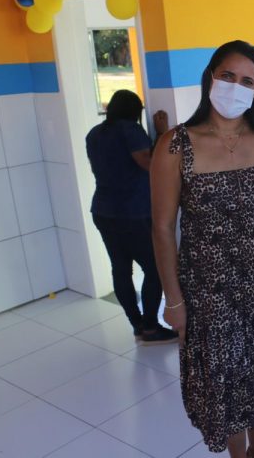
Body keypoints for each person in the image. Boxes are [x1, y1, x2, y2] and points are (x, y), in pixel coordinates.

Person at [151, 40, 254, 458]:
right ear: (210, 78)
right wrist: (174, 301)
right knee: (224, 383)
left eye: (247, 81)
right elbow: (162, 228)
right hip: (206, 291)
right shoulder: (176, 145)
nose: (236, 87)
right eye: (228, 76)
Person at [86, 90, 177, 344]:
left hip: (103, 211)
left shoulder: (94, 134)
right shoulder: (130, 130)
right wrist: (162, 133)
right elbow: (150, 164)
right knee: (155, 269)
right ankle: (150, 327)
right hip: (132, 213)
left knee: (121, 269)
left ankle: (137, 324)